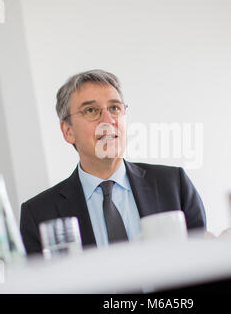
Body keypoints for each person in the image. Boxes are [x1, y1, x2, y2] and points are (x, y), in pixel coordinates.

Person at [20, 69, 206, 255]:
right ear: (68, 131)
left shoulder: (173, 184)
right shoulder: (38, 215)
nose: (108, 120)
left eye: (115, 108)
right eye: (91, 110)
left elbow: (202, 262)